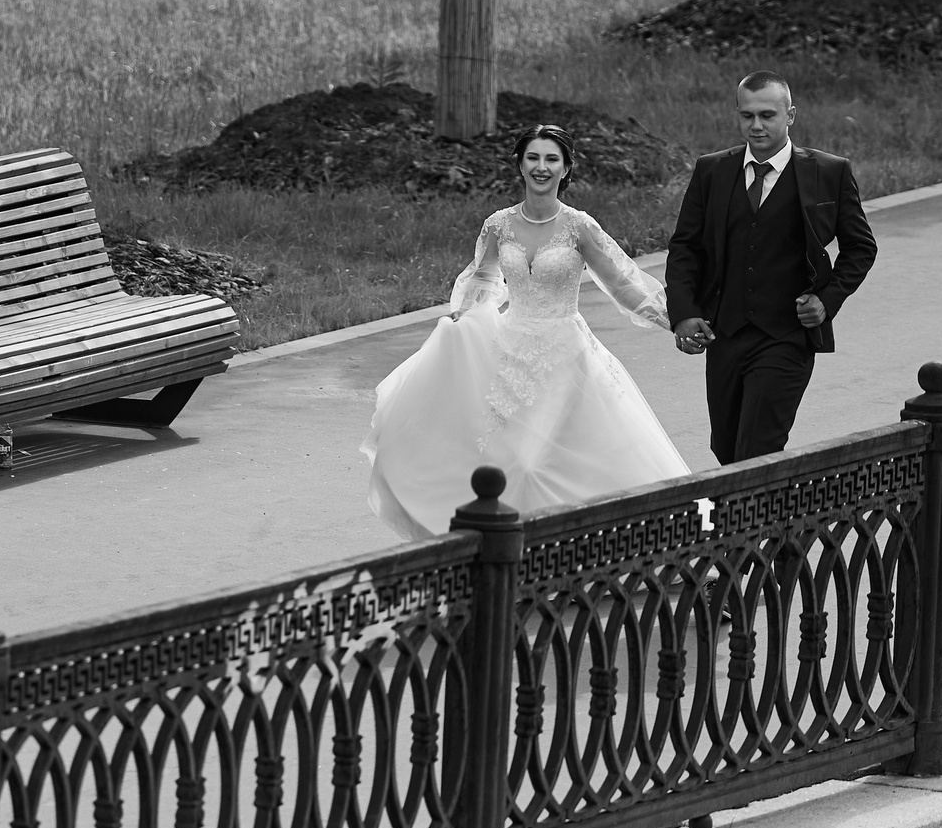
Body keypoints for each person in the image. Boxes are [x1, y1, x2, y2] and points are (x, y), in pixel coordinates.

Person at [363, 125, 690, 539]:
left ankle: (582, 550)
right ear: (519, 164)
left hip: (567, 350)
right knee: (502, 454)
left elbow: (622, 282)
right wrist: (465, 317)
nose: (541, 167)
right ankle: (506, 555)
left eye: (552, 159)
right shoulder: (498, 225)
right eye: (533, 157)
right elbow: (483, 280)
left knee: (543, 460)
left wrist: (672, 320)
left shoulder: (579, 226)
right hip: (511, 347)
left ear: (566, 168)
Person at [667, 73, 877, 464]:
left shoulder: (829, 172)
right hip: (725, 333)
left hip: (787, 336)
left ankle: (755, 527)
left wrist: (827, 300)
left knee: (758, 449)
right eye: (747, 116)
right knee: (726, 449)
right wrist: (683, 313)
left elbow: (861, 248)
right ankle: (752, 525)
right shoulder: (712, 171)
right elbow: (685, 248)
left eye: (767, 114)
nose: (756, 125)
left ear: (790, 115)